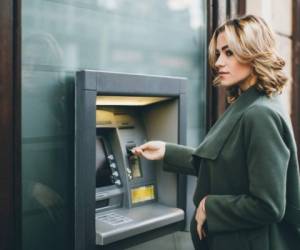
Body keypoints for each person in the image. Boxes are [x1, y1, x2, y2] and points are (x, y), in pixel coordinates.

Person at [132, 15, 300, 250]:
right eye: (219, 53)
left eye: (229, 53)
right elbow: (227, 164)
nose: (219, 62)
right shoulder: (250, 104)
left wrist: (211, 207)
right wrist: (167, 151)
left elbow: (268, 205)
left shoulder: (259, 114)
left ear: (254, 53)